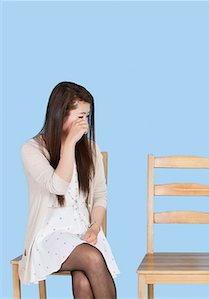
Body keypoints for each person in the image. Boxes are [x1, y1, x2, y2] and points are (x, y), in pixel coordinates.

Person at [19, 81, 119, 298]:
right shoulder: (32, 149)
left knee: (83, 280)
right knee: (92, 258)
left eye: (87, 117)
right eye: (79, 116)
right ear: (60, 114)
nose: (84, 123)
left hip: (83, 233)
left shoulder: (91, 149)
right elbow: (58, 186)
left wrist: (94, 227)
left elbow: (101, 194)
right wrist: (68, 144)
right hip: (48, 236)